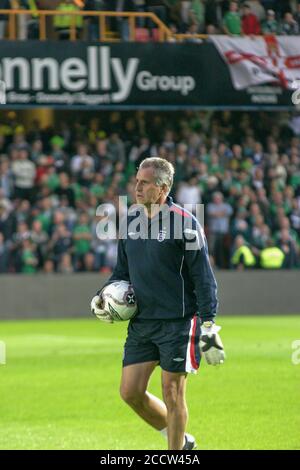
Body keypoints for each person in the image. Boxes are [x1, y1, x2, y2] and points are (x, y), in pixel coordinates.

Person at [91, 157, 225, 451]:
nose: (137, 187)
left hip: (178, 323)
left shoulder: (186, 224)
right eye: (136, 181)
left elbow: (204, 278)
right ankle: (181, 440)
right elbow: (121, 272)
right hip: (142, 323)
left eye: (144, 183)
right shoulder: (130, 222)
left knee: (172, 392)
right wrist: (104, 294)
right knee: (130, 392)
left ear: (163, 188)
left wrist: (209, 325)